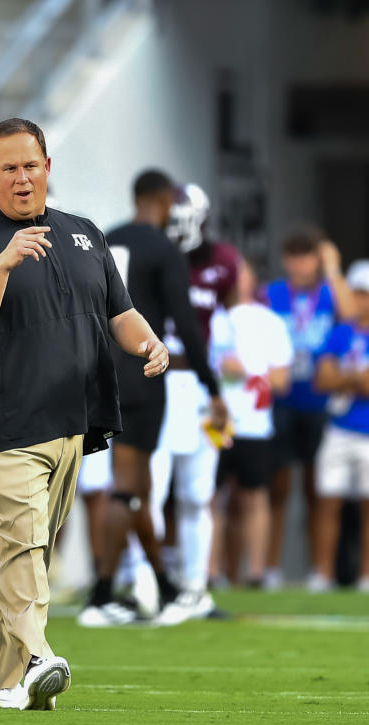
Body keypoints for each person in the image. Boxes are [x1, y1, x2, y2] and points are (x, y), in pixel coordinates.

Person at [0, 118, 168, 710]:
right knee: (23, 547)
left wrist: (148, 343)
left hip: (73, 420)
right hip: (5, 422)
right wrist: (3, 265)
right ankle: (37, 658)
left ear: (47, 167)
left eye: (29, 165)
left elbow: (119, 312)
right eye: (7, 168)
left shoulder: (84, 234)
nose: (20, 177)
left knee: (27, 550)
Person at [79, 170, 226, 628]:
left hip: (100, 373)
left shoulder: (102, 238)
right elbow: (184, 323)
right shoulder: (164, 249)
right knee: (127, 486)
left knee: (139, 486)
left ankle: (162, 583)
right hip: (143, 374)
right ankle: (101, 595)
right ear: (164, 200)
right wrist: (213, 386)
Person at [147, 182, 239, 625]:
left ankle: (194, 586)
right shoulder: (152, 254)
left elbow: (232, 322)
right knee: (152, 488)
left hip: (199, 386)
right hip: (156, 380)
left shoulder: (222, 261)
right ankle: (147, 583)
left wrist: (226, 386)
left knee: (197, 494)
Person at [264, 227, 354, 589]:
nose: (301, 265)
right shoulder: (271, 294)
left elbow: (351, 316)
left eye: (309, 257)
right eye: (295, 257)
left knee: (320, 489)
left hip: (319, 402)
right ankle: (270, 568)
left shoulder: (331, 294)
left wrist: (333, 269)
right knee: (278, 488)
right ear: (286, 260)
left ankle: (321, 571)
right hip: (282, 402)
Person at [311, 260, 369, 592]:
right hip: (340, 427)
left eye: (367, 294)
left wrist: (343, 377)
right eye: (357, 292)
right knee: (328, 500)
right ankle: (322, 573)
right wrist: (355, 376)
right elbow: (321, 379)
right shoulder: (341, 330)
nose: (361, 300)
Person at [209, 261, 292, 585]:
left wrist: (246, 372)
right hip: (214, 420)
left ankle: (256, 572)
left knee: (254, 496)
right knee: (210, 496)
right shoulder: (210, 317)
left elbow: (282, 379)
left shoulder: (270, 322)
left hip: (255, 424)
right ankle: (211, 572)